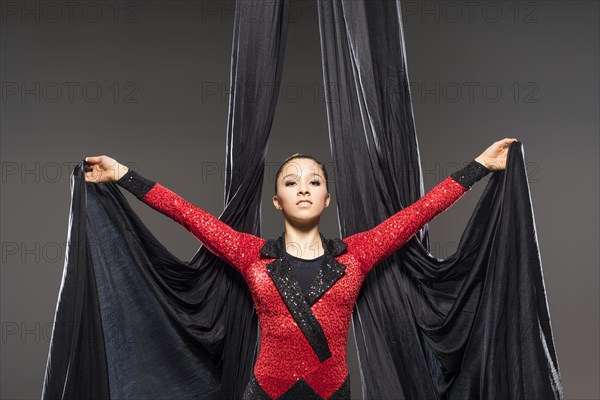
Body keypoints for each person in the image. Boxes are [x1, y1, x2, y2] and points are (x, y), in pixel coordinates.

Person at [83, 137, 517, 400]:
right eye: (291, 181)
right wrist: (123, 174)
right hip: (266, 393)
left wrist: (479, 166)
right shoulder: (250, 252)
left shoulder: (357, 253)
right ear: (278, 202)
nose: (303, 188)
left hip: (332, 392)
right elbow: (187, 214)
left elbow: (420, 213)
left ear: (327, 199)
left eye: (314, 181)